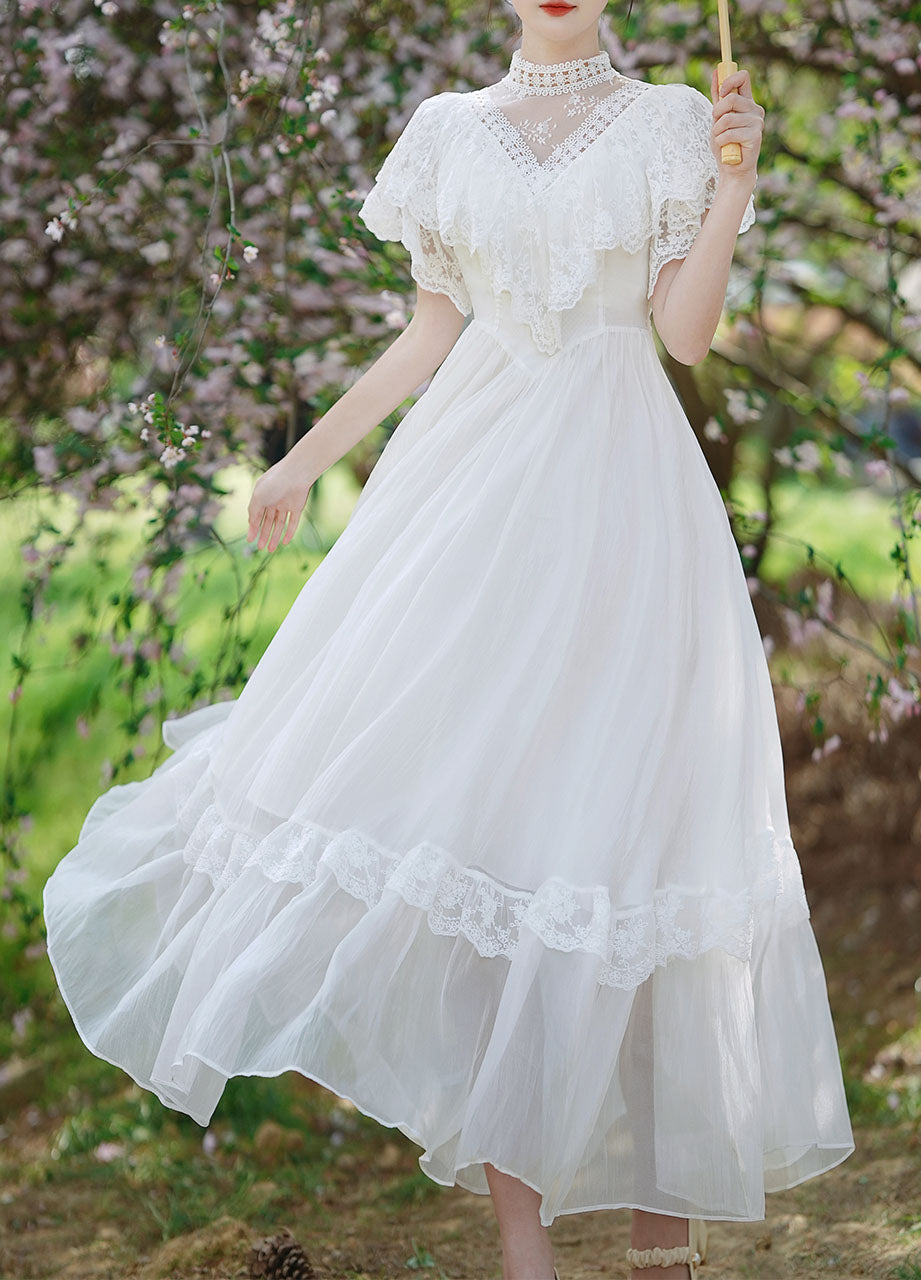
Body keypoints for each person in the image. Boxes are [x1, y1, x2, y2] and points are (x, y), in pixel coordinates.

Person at [41, 3, 856, 1278]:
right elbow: (429, 333)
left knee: (644, 842)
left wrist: (732, 191)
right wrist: (301, 459)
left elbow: (682, 333)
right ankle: (523, 1254)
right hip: (471, 506)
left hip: (624, 506)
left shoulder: (667, 121)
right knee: (488, 840)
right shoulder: (445, 131)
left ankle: (663, 1248)